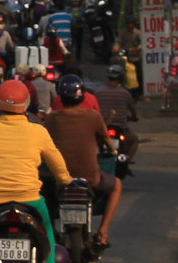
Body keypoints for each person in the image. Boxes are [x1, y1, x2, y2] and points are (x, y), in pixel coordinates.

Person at [0, 80, 71, 263]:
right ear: (27, 104)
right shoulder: (38, 131)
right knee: (47, 231)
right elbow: (58, 164)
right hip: (29, 199)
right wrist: (65, 181)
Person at [44, 75, 122, 249]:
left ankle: (50, 232)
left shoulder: (50, 118)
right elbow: (108, 143)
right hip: (90, 180)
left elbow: (42, 142)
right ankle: (103, 231)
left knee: (41, 195)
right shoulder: (93, 116)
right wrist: (113, 151)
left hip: (59, 179)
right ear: (82, 96)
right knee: (116, 184)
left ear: (60, 97)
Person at [97, 65, 140, 160]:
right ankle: (126, 161)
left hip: (103, 127)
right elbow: (132, 109)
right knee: (134, 141)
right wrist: (134, 117)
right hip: (121, 128)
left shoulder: (99, 92)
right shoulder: (125, 93)